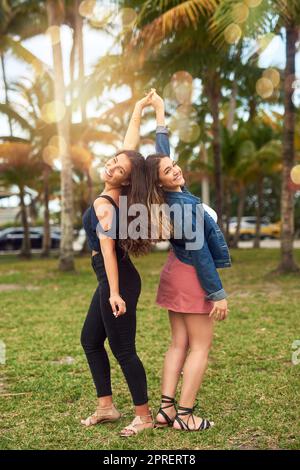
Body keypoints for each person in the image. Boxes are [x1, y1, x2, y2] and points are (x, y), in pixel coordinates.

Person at [145, 92, 231, 432]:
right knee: (200, 347)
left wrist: (160, 115)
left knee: (178, 343)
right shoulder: (182, 207)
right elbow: (200, 253)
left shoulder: (167, 194)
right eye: (169, 170)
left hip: (173, 272)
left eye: (174, 165)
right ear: (161, 181)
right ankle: (185, 415)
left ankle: (166, 410)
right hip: (192, 273)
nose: (175, 168)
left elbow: (161, 156)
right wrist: (217, 293)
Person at [80, 91, 155, 437]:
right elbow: (130, 155)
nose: (111, 165)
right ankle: (106, 407)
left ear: (125, 179)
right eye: (112, 160)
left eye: (118, 168)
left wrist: (113, 292)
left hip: (117, 279)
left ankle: (144, 415)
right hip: (114, 277)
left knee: (123, 349)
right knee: (90, 340)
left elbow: (108, 251)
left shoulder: (105, 203)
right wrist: (138, 111)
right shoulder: (122, 190)